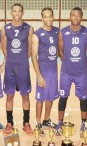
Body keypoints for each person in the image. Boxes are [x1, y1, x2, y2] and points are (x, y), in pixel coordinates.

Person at [56, 7, 87, 135]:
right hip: (66, 73)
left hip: (81, 74)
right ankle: (60, 122)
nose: (76, 18)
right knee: (63, 98)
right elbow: (60, 50)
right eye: (73, 15)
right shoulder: (63, 32)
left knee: (83, 99)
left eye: (78, 16)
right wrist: (65, 61)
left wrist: (84, 64)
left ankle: (84, 124)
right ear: (70, 17)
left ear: (81, 17)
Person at [1, 3, 34, 136]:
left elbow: (30, 48)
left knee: (25, 95)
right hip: (9, 67)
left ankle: (26, 123)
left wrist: (22, 60)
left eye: (19, 11)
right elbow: (4, 48)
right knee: (9, 96)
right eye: (14, 11)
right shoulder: (5, 29)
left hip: (23, 67)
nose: (16, 13)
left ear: (22, 13)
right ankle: (9, 123)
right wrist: (10, 60)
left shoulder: (29, 28)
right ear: (11, 13)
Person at [31, 7, 59, 135]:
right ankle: (38, 124)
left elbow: (60, 50)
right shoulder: (37, 34)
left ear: (53, 17)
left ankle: (46, 120)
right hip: (43, 72)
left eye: (50, 16)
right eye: (45, 17)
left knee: (51, 97)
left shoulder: (58, 32)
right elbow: (33, 57)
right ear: (42, 18)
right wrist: (39, 75)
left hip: (53, 71)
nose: (48, 19)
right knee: (40, 99)